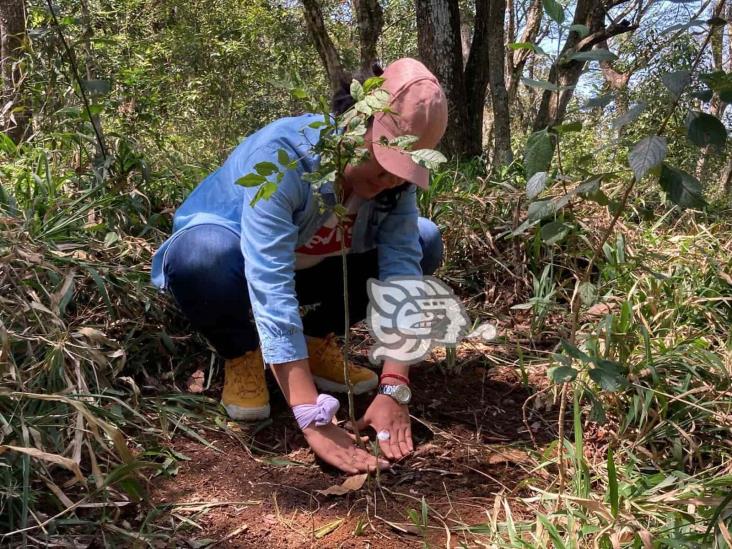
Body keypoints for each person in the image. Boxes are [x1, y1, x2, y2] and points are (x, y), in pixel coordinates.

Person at [151, 58, 449, 474]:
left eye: (404, 171)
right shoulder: (284, 158)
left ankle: (312, 340)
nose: (391, 181)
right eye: (383, 162)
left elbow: (402, 269)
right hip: (234, 268)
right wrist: (311, 415)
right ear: (352, 124)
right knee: (200, 256)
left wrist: (394, 387)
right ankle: (242, 351)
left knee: (425, 238)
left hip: (313, 268)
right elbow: (268, 279)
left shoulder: (393, 187)